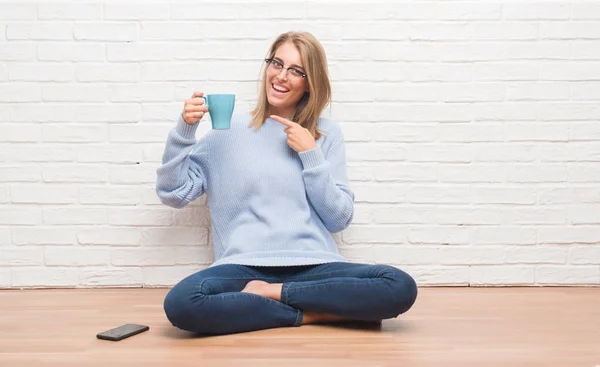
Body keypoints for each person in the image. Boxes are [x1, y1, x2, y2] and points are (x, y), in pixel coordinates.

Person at [155, 31, 417, 336]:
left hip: (315, 265)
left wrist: (311, 154)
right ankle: (316, 316)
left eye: (296, 71)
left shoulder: (326, 135)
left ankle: (272, 295)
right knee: (182, 303)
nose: (281, 76)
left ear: (310, 82)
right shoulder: (226, 132)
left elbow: (338, 218)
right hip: (244, 266)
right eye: (277, 63)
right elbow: (172, 193)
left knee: (399, 286)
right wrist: (185, 129)